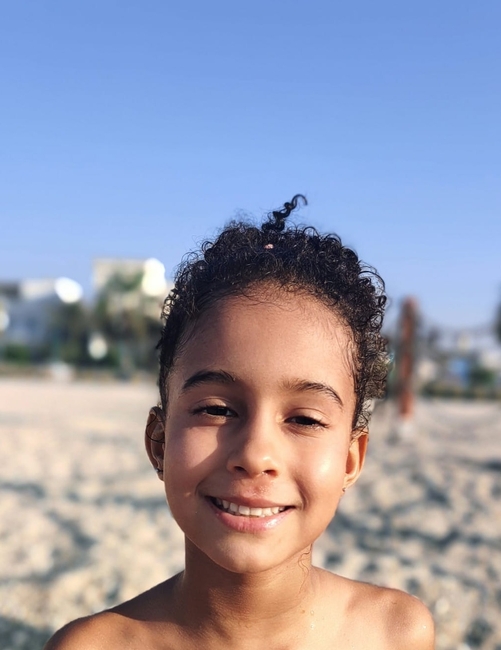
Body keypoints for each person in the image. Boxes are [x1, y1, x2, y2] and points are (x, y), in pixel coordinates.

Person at [45, 195, 435, 649]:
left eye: (305, 419)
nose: (255, 455)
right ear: (159, 442)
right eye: (217, 409)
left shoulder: (395, 632)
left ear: (351, 460)